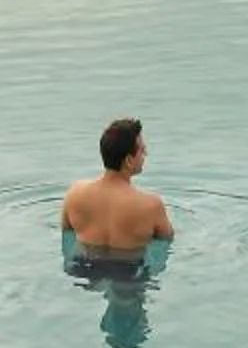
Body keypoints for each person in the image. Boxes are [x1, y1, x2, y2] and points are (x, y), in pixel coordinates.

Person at [61, 116, 175, 271]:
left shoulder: (75, 193)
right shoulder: (150, 205)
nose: (146, 153)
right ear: (128, 160)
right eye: (142, 150)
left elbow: (66, 234)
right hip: (128, 272)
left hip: (83, 267)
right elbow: (166, 239)